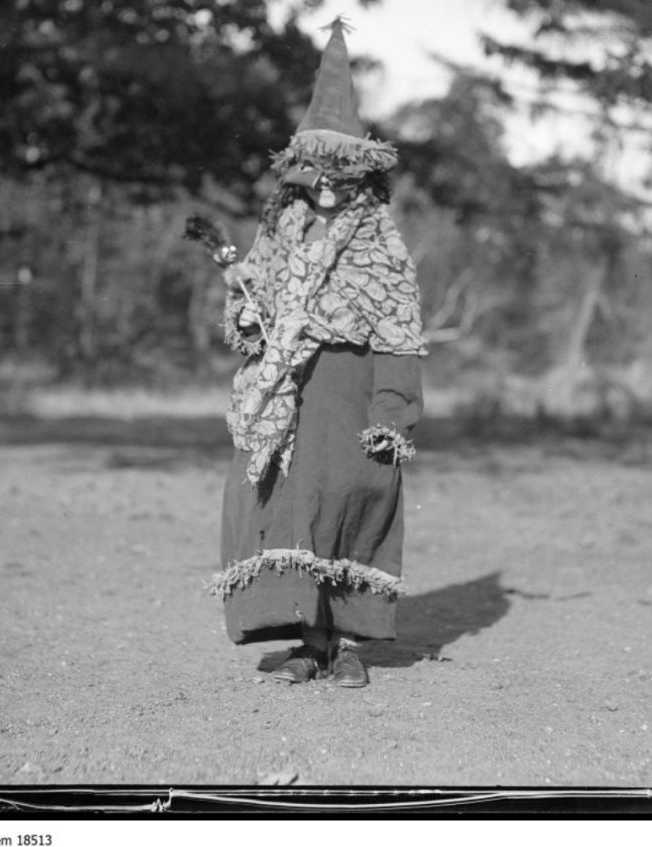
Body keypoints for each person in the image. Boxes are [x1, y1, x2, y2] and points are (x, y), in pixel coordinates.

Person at [207, 18, 426, 689]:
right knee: (282, 506)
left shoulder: (380, 243)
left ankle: (347, 645)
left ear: (361, 173)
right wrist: (247, 308)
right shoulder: (279, 226)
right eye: (316, 172)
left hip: (347, 390)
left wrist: (393, 408)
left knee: (347, 500)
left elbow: (398, 329)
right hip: (282, 392)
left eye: (340, 173)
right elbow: (254, 315)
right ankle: (308, 642)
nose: (327, 185)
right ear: (301, 172)